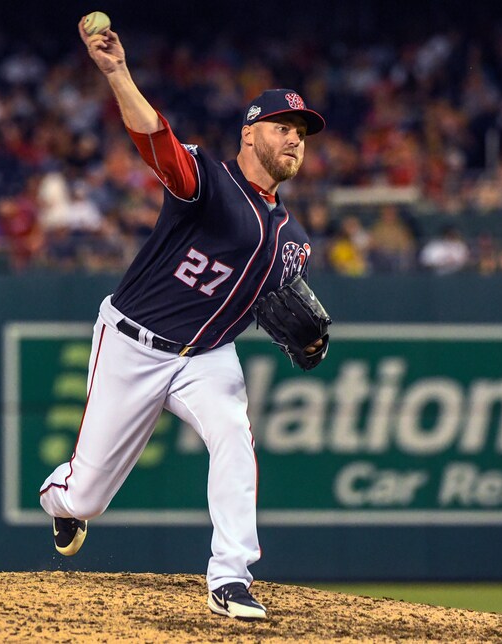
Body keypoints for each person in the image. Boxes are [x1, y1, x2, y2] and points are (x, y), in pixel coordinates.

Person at [38, 16, 328, 622]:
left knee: (233, 434)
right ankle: (60, 500)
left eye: (302, 131)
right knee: (87, 497)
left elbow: (277, 306)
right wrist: (118, 73)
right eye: (283, 127)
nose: (296, 139)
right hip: (133, 342)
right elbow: (155, 141)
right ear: (250, 135)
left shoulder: (294, 239)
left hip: (207, 356)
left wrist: (311, 341)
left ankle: (231, 577)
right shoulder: (210, 182)